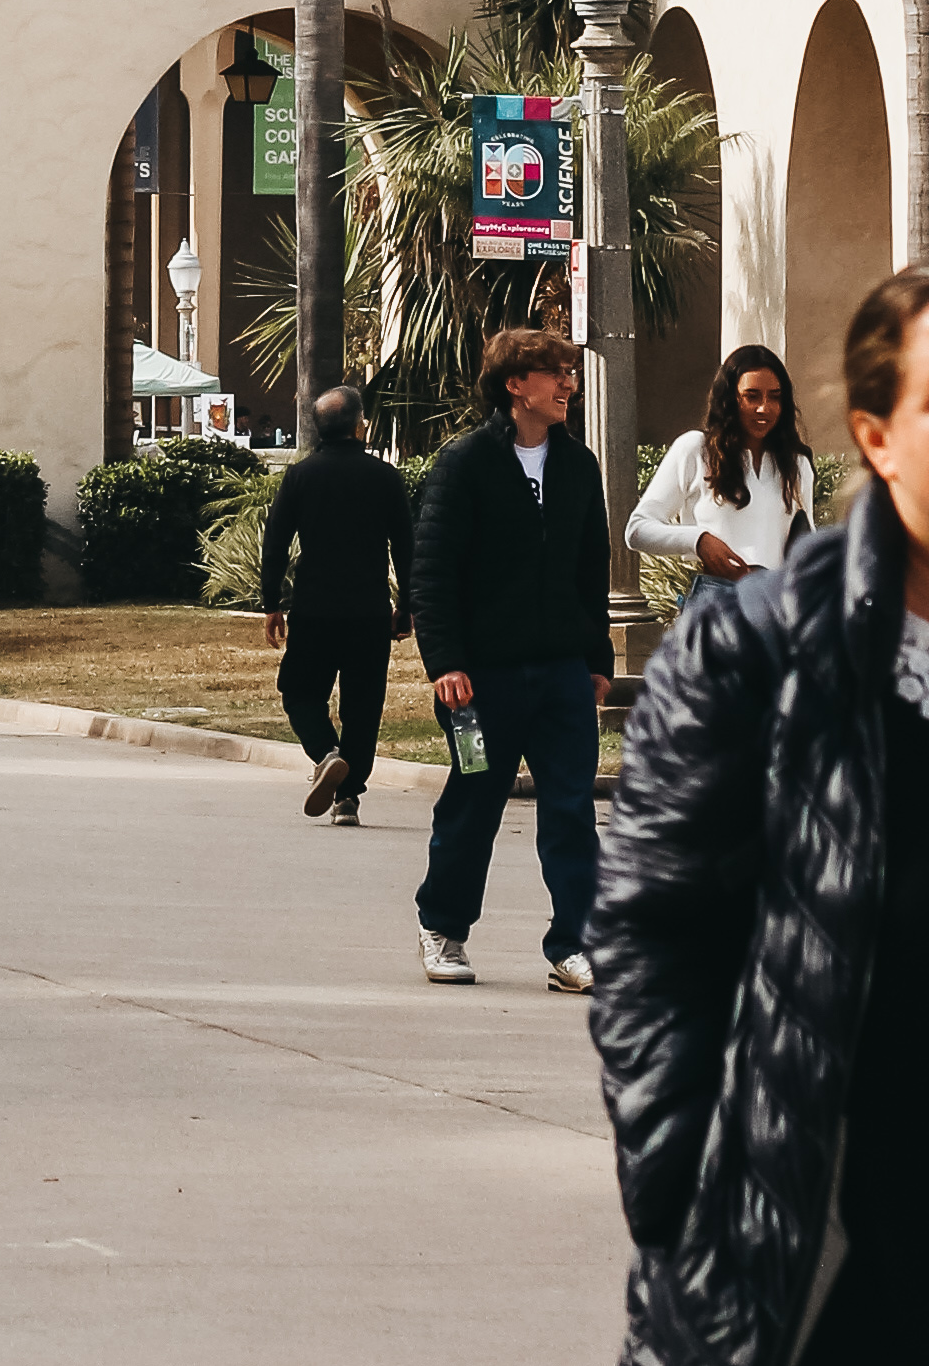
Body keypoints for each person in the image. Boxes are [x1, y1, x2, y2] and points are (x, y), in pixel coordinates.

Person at [592, 263, 929, 1366]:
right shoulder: (752, 660)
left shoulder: (788, 465)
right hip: (836, 1248)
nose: (762, 404)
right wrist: (688, 1188)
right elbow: (651, 938)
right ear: (881, 438)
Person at [410, 317, 612, 993]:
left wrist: (597, 658)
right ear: (515, 385)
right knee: (474, 800)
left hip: (560, 675)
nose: (568, 384)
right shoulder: (465, 463)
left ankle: (574, 947)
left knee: (570, 810)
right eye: (556, 373)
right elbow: (432, 572)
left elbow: (593, 568)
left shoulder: (578, 466)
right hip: (480, 681)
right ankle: (441, 927)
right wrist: (445, 663)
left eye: (568, 372)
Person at [262, 379, 417, 822]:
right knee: (363, 705)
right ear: (358, 427)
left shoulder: (300, 476)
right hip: (368, 610)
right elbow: (405, 547)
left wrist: (271, 602)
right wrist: (407, 605)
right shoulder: (385, 477)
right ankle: (348, 797)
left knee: (299, 692)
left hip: (314, 608)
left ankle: (326, 753)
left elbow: (276, 543)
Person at [629, 343, 815, 590]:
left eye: (775, 396)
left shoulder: (796, 464)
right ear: (730, 399)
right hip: (716, 604)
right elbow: (637, 529)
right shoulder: (696, 450)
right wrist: (698, 540)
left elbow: (807, 541)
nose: (764, 407)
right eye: (752, 396)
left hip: (776, 606)